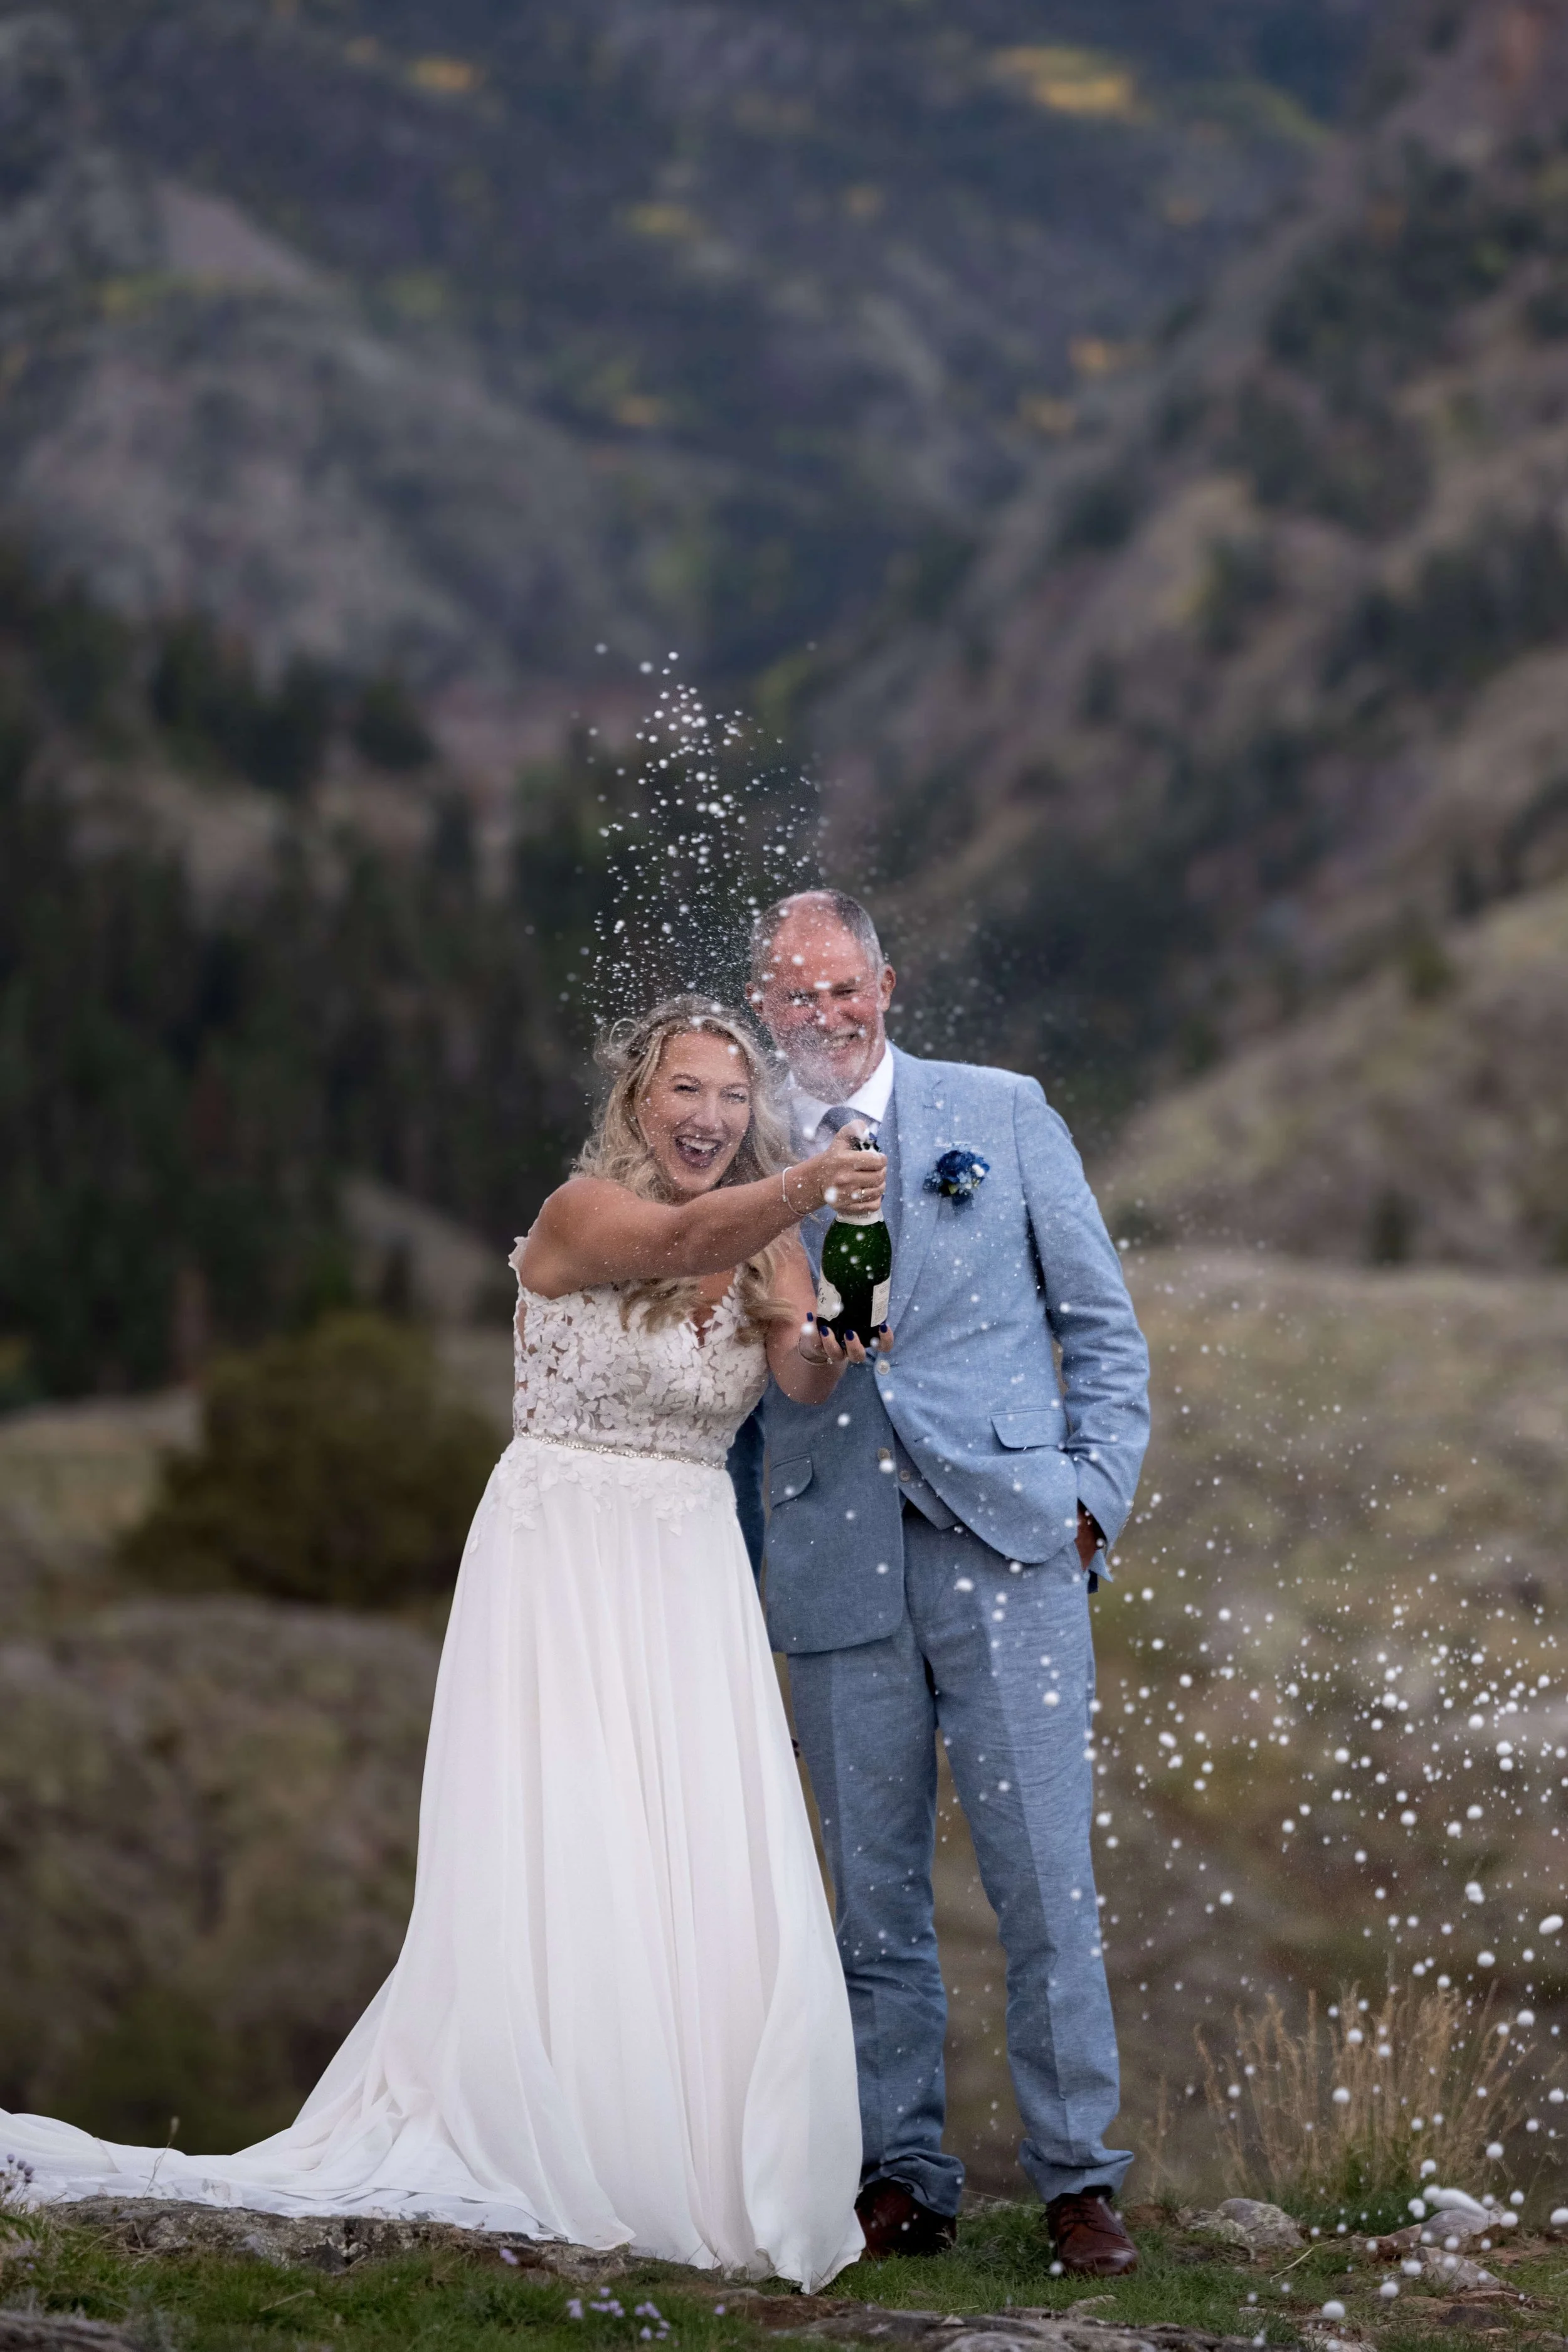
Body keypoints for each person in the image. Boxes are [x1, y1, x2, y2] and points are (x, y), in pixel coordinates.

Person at [0, 995, 887, 2292]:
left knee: (693, 1845)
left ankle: (691, 2159)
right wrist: (813, 1177)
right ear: (637, 1099)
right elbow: (677, 1238)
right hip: (562, 1555)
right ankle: (564, 2134)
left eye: (733, 1095)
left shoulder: (772, 1243)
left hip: (692, 1565)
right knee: (574, 1837)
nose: (711, 1116)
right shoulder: (585, 1211)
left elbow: (802, 1376)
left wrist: (843, 1318)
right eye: (686, 1089)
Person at [744, 891, 1151, 2279]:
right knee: (871, 1899)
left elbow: (1102, 1329)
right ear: (765, 1005)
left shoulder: (1002, 1110)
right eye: (794, 994)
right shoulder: (746, 1152)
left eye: (841, 986)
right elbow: (731, 1385)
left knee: (1042, 1883)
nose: (823, 1013)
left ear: (887, 982)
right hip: (830, 1558)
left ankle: (1078, 2181)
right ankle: (901, 2177)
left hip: (1011, 1549)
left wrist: (1090, 1506)